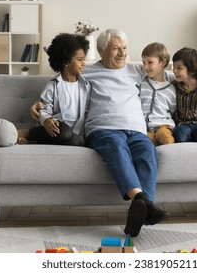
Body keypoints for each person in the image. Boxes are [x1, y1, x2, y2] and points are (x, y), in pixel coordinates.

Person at [31, 29, 170, 237]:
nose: (122, 53)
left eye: (124, 48)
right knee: (117, 148)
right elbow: (62, 80)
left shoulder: (137, 71)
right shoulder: (87, 72)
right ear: (100, 50)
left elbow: (166, 76)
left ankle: (141, 209)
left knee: (148, 153)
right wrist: (39, 105)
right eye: (115, 49)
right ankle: (144, 203)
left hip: (136, 131)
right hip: (104, 130)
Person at [19, 33, 90, 146]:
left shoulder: (86, 85)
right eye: (80, 59)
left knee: (77, 140)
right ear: (66, 62)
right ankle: (28, 133)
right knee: (65, 133)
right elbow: (44, 109)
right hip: (57, 128)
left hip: (75, 133)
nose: (84, 64)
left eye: (84, 59)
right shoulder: (53, 85)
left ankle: (34, 142)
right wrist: (46, 120)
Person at [139, 42, 176, 146]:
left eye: (150, 62)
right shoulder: (141, 84)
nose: (145, 67)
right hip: (145, 127)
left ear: (163, 62)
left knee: (164, 137)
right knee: (145, 141)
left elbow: (173, 111)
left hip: (164, 126)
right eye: (143, 62)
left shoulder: (171, 89)